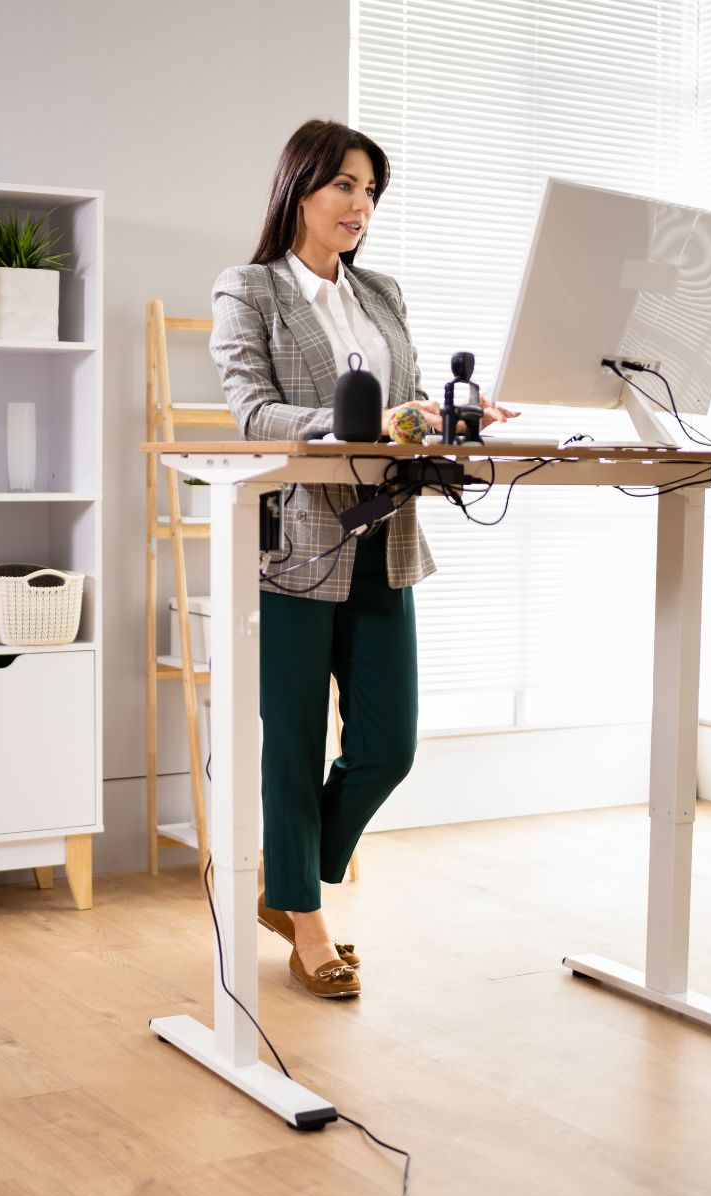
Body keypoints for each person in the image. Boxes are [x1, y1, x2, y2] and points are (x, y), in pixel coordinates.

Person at [209, 118, 514, 999]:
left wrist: (446, 416)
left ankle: (286, 875)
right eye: (345, 185)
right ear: (299, 187)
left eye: (371, 190)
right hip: (297, 545)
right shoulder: (250, 290)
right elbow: (251, 410)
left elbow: (402, 407)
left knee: (388, 746)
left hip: (388, 536)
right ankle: (305, 920)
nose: (360, 204)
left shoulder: (382, 293)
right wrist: (352, 423)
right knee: (295, 743)